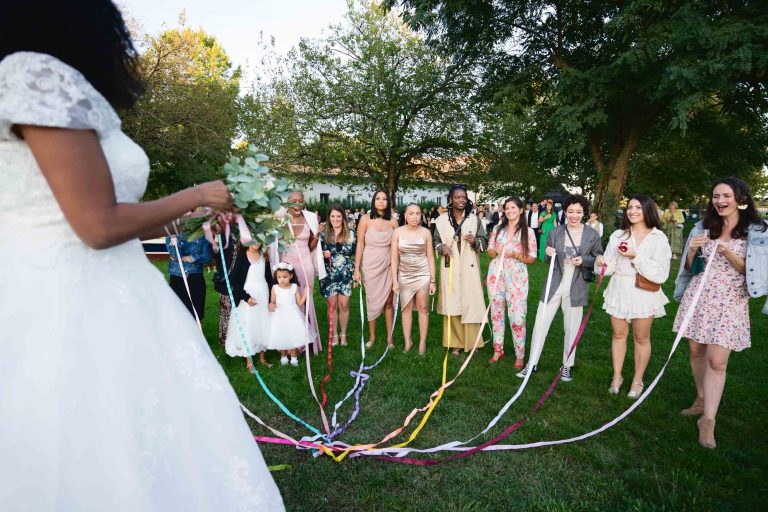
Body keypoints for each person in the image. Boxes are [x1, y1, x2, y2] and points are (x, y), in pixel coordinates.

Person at [0, 1, 284, 508]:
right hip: (65, 301)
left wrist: (191, 215)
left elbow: (117, 212)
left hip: (116, 285)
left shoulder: (68, 91)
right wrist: (198, 193)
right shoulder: (33, 74)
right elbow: (97, 224)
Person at [673, 177, 768, 449]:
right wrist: (691, 251)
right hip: (700, 296)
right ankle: (701, 397)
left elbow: (752, 271)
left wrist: (726, 251)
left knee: (717, 360)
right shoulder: (704, 227)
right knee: (695, 351)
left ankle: (708, 420)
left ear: (741, 199)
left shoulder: (757, 231)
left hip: (730, 300)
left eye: (726, 195)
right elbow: (691, 267)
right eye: (716, 196)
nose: (720, 201)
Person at [518, 195, 603, 381]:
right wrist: (548, 253)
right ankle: (531, 363)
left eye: (578, 212)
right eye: (571, 211)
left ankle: (567, 365)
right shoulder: (555, 232)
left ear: (584, 213)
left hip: (577, 285)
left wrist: (585, 260)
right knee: (540, 324)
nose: (574, 215)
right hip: (554, 283)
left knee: (571, 328)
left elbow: (598, 259)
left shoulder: (592, 234)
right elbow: (548, 257)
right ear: (565, 211)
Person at [596, 195, 672, 398]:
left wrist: (635, 256)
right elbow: (610, 268)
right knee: (618, 334)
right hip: (619, 289)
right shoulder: (618, 235)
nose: (633, 211)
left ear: (648, 210)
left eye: (638, 207)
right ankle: (617, 376)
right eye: (630, 207)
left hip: (643, 292)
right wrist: (602, 263)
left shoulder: (658, 238)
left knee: (641, 337)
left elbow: (661, 273)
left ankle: (638, 380)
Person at [434, 184, 488, 355]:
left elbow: (484, 241)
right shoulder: (441, 220)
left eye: (463, 197)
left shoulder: (474, 219)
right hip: (450, 266)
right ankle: (455, 343)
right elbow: (435, 241)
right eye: (457, 197)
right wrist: (441, 247)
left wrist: (474, 241)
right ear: (451, 199)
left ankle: (473, 343)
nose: (461, 200)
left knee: (471, 303)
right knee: (452, 303)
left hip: (469, 267)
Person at [486, 197, 537, 368]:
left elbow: (532, 259)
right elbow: (490, 253)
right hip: (496, 275)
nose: (509, 211)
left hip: (517, 277)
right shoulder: (497, 229)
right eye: (507, 208)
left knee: (517, 316)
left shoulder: (528, 232)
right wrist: (496, 251)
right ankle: (498, 349)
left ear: (521, 210)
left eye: (513, 207)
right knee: (497, 313)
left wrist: (515, 254)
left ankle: (520, 354)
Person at [354, 190, 399, 348]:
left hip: (388, 265)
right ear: (373, 201)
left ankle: (389, 338)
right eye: (378, 198)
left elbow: (397, 248)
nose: (381, 201)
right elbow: (360, 243)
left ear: (388, 202)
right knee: (371, 301)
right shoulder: (365, 219)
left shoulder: (393, 222)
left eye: (384, 199)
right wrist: (356, 269)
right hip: (370, 265)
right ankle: (372, 337)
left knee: (388, 302)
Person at [282, 191, 323, 354]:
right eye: (294, 201)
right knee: (290, 302)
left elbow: (310, 246)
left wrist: (318, 233)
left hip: (305, 265)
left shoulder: (310, 218)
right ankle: (293, 343)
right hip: (288, 266)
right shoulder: (281, 220)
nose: (297, 204)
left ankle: (308, 342)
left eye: (300, 201)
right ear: (288, 203)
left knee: (306, 301)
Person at [391, 203, 436, 354]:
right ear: (405, 215)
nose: (415, 216)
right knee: (406, 309)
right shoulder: (397, 232)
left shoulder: (426, 232)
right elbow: (394, 259)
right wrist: (395, 280)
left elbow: (430, 257)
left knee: (423, 308)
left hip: (423, 274)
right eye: (411, 213)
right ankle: (407, 341)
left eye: (417, 213)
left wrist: (433, 280)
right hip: (404, 275)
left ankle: (422, 342)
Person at [225, 243, 274, 370]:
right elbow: (234, 280)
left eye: (258, 239)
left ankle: (262, 358)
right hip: (248, 294)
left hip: (263, 293)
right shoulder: (242, 257)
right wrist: (246, 297)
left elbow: (269, 279)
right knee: (249, 324)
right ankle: (249, 361)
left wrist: (271, 300)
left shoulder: (264, 256)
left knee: (263, 323)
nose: (256, 243)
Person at [319, 204, 357, 347]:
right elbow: (315, 253)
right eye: (333, 216)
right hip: (329, 275)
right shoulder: (324, 234)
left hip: (345, 274)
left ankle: (343, 334)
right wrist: (323, 254)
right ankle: (334, 334)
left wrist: (357, 272)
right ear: (329, 217)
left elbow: (357, 254)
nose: (336, 219)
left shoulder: (351, 233)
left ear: (343, 217)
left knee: (344, 305)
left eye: (338, 216)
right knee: (332, 306)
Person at [267, 263, 312, 366]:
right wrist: (271, 305)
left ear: (290, 276)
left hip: (293, 314)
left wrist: (305, 294)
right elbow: (272, 301)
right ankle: (283, 357)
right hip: (279, 315)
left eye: (284, 277)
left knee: (293, 336)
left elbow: (300, 303)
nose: (282, 279)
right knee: (281, 336)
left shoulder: (294, 287)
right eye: (279, 277)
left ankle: (293, 357)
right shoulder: (275, 288)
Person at [165, 232, 211, 320]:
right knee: (178, 312)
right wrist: (174, 243)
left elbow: (206, 256)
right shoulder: (171, 233)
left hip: (195, 277)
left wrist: (190, 258)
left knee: (197, 313)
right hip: (177, 277)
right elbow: (174, 256)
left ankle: (197, 333)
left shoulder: (201, 232)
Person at [212, 232, 238, 346]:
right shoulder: (221, 234)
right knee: (226, 310)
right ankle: (225, 340)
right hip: (225, 279)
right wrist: (215, 244)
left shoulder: (245, 230)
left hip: (243, 277)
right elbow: (214, 253)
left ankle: (239, 340)